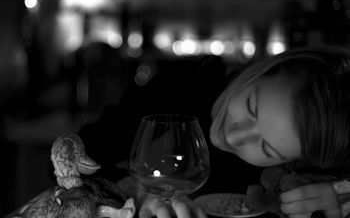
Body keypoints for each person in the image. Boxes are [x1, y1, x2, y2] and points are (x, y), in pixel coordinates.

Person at [79, 46, 350, 218]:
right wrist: (131, 190)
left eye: (266, 149)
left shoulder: (295, 179)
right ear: (260, 70)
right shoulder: (188, 81)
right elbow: (69, 159)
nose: (233, 137)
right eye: (250, 107)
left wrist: (345, 198)